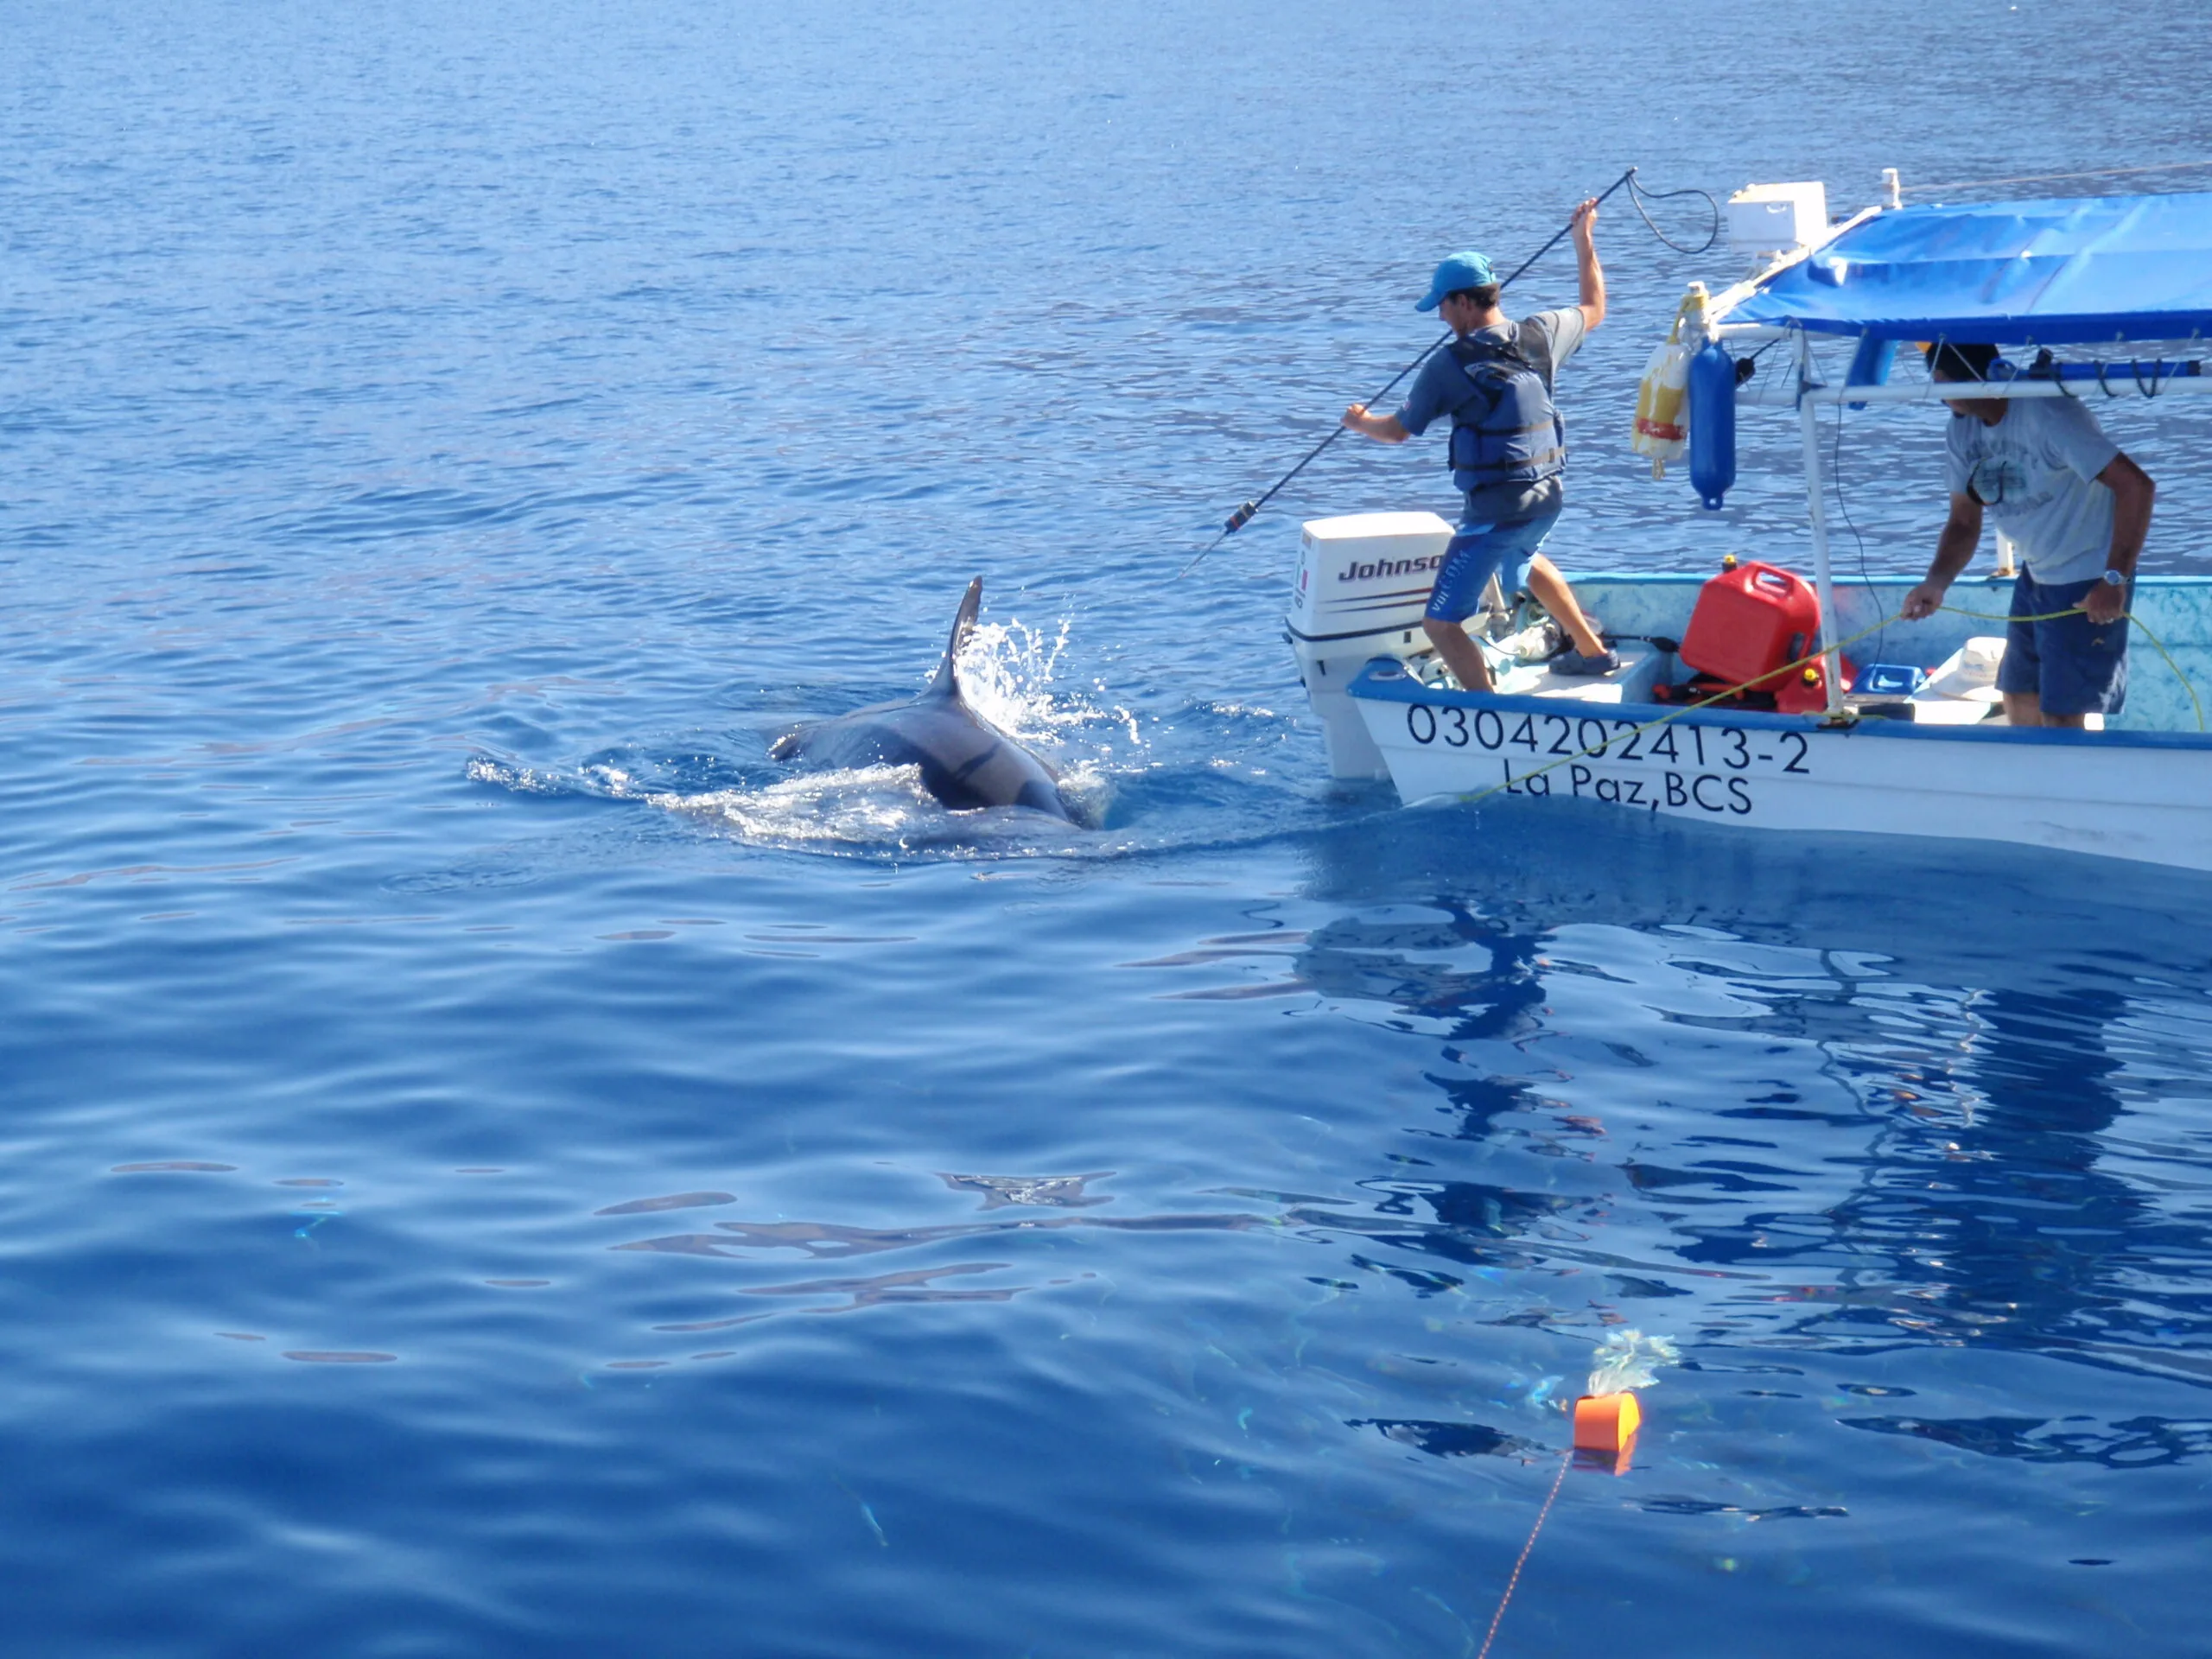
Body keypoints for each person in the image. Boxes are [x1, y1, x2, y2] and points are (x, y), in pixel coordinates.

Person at [1339, 199, 1615, 693]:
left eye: (1442, 304)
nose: (1440, 315)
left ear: (1465, 302)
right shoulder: (1543, 332)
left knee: (1440, 625)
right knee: (1523, 563)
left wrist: (1360, 423)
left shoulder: (1447, 366)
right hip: (1547, 499)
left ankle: (1488, 713)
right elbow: (1595, 308)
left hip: (1496, 512)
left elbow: (1399, 431)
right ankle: (1594, 655)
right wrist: (1583, 240)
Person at [1899, 341, 2156, 728]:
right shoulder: (1961, 431)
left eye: (1939, 381)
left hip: (2089, 577)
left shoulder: (2048, 414)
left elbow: (2137, 487)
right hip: (2035, 577)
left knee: (2062, 715)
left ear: (1943, 379)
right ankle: (2027, 784)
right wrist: (1935, 582)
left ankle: (2066, 787)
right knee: (2018, 695)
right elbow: (1964, 522)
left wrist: (2114, 579)